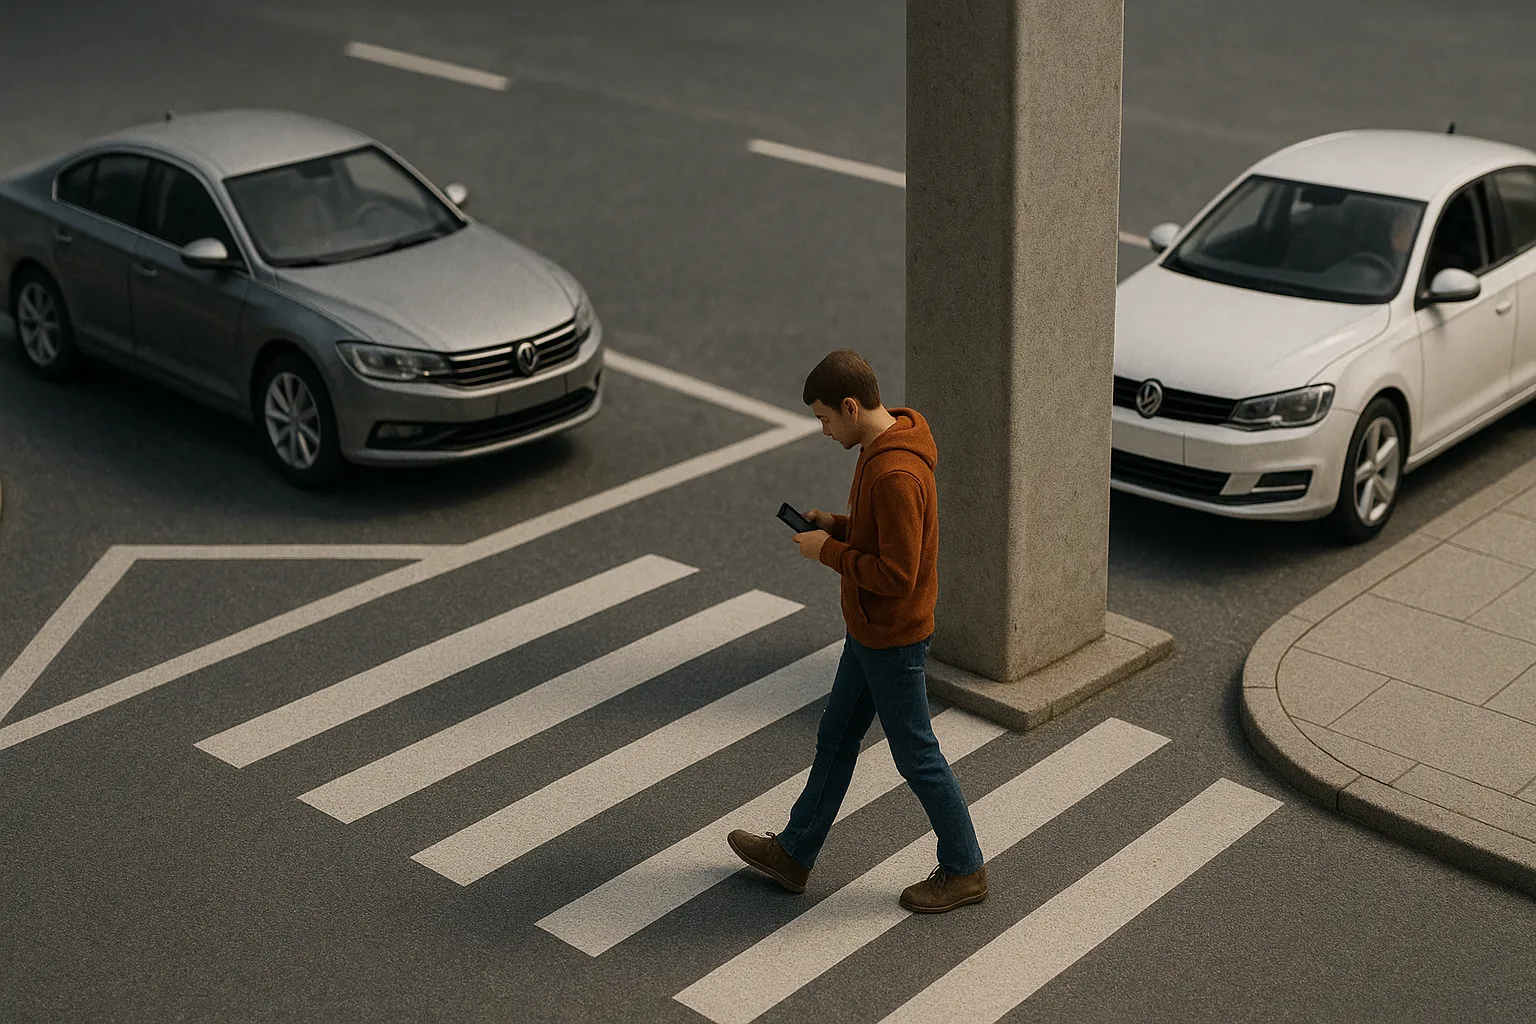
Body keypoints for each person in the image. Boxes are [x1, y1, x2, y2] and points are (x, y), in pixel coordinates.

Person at [727, 349, 988, 914]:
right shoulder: (879, 446)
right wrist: (837, 526)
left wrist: (828, 552)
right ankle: (794, 853)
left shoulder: (895, 472)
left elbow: (897, 574)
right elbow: (880, 537)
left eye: (825, 419)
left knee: (916, 754)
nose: (823, 430)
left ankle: (965, 868)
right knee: (837, 736)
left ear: (850, 406)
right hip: (869, 630)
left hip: (891, 636)